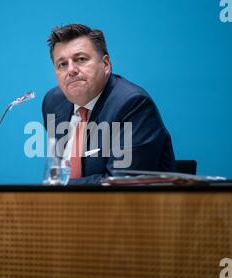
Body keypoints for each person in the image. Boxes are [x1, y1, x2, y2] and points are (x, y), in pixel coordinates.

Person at [42, 24, 175, 185]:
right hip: (68, 208)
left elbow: (120, 184)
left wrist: (57, 186)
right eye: (62, 64)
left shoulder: (132, 104)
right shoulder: (53, 102)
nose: (71, 70)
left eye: (81, 59)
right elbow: (57, 167)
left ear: (105, 64)